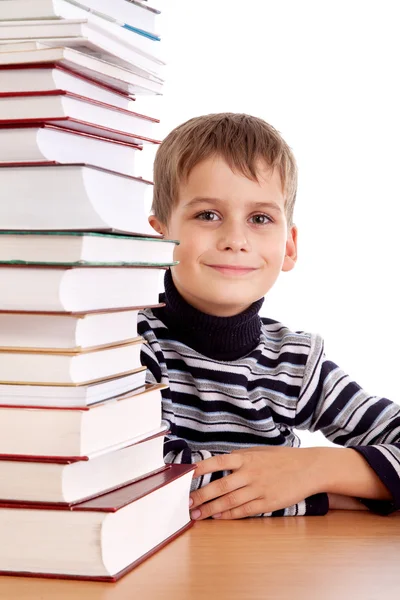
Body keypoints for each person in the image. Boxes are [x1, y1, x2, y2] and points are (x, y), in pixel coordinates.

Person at [138, 113, 400, 520]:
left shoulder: (295, 361)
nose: (235, 241)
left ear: (289, 246)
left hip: (279, 573)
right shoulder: (128, 345)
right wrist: (327, 498)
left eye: (260, 219)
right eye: (208, 215)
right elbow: (145, 479)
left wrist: (315, 468)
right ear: (160, 238)